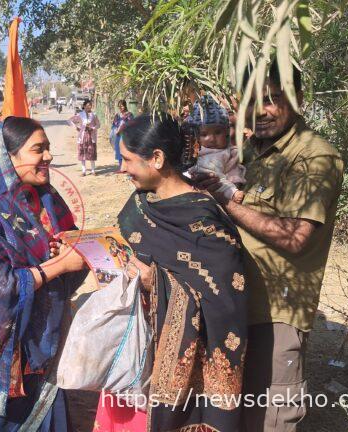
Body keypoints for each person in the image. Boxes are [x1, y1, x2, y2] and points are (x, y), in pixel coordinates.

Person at [194, 63, 344, 432]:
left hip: (277, 310)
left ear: (298, 100)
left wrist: (225, 201)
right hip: (234, 303)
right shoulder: (245, 152)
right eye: (251, 101)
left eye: (272, 100)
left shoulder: (314, 157)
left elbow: (295, 237)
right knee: (234, 410)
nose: (260, 111)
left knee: (271, 417)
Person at [93, 114, 247, 432]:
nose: (121, 168)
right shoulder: (139, 205)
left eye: (127, 159)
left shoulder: (205, 219)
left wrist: (155, 282)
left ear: (158, 158)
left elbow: (226, 300)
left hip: (178, 371)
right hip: (132, 354)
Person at [0, 116, 88, 431]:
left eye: (48, 149)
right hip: (9, 357)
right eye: (37, 150)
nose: (48, 157)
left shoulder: (48, 202)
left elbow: (73, 262)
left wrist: (73, 257)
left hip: (50, 347)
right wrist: (58, 266)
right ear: (8, 157)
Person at [185, 95, 246, 202]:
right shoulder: (198, 152)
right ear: (196, 137)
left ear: (226, 132)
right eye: (204, 134)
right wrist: (232, 191)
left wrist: (234, 185)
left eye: (218, 132)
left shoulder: (231, 152)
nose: (212, 139)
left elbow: (233, 171)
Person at [69, 99, 101, 176]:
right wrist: (76, 127)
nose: (89, 107)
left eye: (90, 106)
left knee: (91, 152)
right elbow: (71, 121)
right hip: (82, 136)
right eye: (87, 106)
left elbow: (98, 125)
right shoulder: (80, 114)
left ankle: (93, 170)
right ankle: (84, 171)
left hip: (91, 136)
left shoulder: (94, 115)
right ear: (84, 106)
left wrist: (92, 128)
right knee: (82, 152)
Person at [109, 99, 134, 173]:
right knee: (119, 151)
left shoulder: (129, 115)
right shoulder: (117, 115)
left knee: (126, 151)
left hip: (126, 135)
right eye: (119, 106)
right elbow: (114, 124)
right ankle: (121, 168)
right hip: (118, 135)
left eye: (122, 106)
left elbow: (131, 124)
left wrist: (123, 128)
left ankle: (128, 167)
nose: (121, 108)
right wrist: (115, 130)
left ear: (125, 106)